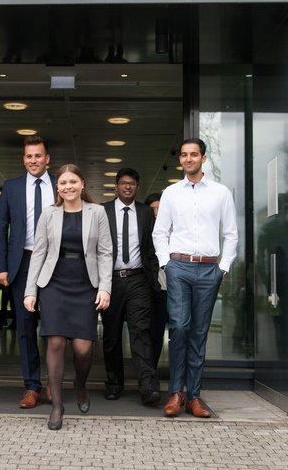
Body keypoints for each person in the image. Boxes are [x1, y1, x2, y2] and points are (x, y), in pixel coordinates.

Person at [152, 138, 237, 418]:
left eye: (194, 154)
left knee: (199, 333)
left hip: (209, 269)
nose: (188, 159)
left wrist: (223, 268)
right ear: (180, 160)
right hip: (178, 267)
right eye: (184, 155)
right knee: (179, 327)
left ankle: (194, 396)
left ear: (204, 158)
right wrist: (166, 264)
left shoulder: (221, 193)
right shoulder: (171, 193)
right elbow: (159, 232)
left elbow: (231, 234)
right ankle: (176, 393)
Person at [24, 164, 112, 430]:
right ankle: (57, 406)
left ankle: (80, 384)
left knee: (83, 349)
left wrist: (105, 287)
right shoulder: (48, 213)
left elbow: (105, 252)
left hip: (86, 284)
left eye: (73, 181)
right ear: (57, 187)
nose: (68, 186)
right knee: (55, 343)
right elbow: (39, 253)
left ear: (82, 183)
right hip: (54, 284)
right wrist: (31, 291)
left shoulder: (97, 212)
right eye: (63, 183)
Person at [0, 135, 55, 409]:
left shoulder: (61, 184)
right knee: (25, 328)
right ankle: (32, 386)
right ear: (23, 159)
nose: (33, 160)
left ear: (47, 158)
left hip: (55, 265)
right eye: (29, 156)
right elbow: (0, 227)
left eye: (38, 155)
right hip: (23, 264)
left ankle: (53, 383)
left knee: (55, 328)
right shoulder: (12, 187)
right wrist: (1, 266)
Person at [101, 168, 161, 405]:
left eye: (132, 184)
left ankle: (148, 387)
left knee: (141, 333)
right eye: (124, 183)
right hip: (111, 280)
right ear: (116, 185)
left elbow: (151, 249)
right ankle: (114, 383)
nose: (128, 187)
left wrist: (154, 280)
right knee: (111, 335)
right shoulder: (103, 211)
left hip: (139, 280)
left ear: (138, 187)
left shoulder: (146, 212)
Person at [144, 192, 169, 370]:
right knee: (150, 332)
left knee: (170, 331)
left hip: (169, 288)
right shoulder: (142, 231)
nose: (155, 212)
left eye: (159, 208)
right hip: (148, 289)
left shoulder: (173, 231)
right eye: (152, 208)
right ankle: (148, 371)